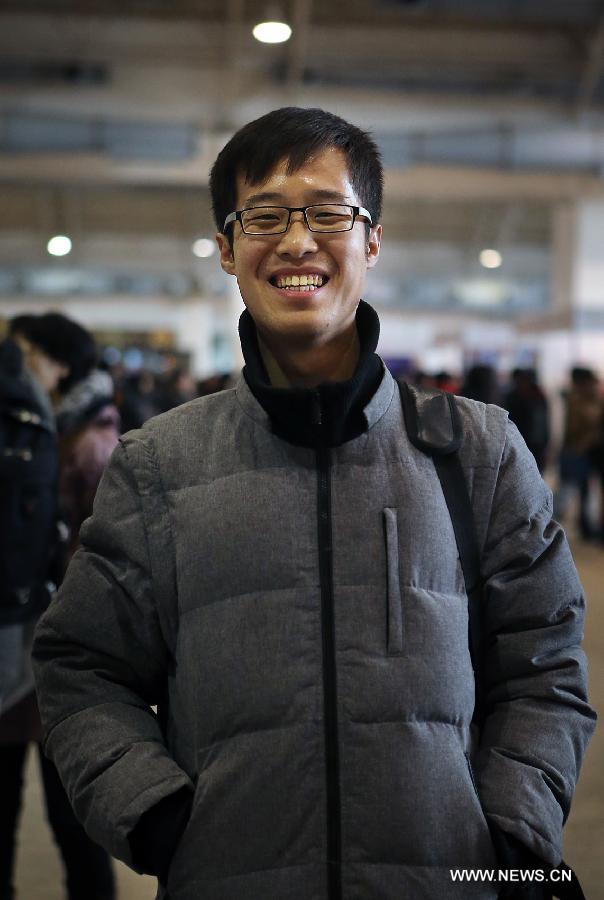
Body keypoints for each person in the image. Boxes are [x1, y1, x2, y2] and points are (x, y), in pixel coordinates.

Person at [33, 108, 595, 900]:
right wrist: (158, 813)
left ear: (371, 239)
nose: (298, 241)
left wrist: (504, 836)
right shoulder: (159, 466)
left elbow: (545, 664)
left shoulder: (479, 453)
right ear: (227, 249)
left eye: (329, 212)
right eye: (264, 215)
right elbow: (80, 666)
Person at [0, 313, 116, 900]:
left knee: (75, 824)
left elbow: (102, 561)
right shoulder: (30, 428)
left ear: (59, 363)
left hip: (61, 662)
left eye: (24, 353)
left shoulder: (89, 443)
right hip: (17, 653)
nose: (14, 366)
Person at [503, 368, 550, 473]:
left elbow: (543, 423)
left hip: (535, 444)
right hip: (519, 443)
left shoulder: (538, 396)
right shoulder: (513, 396)